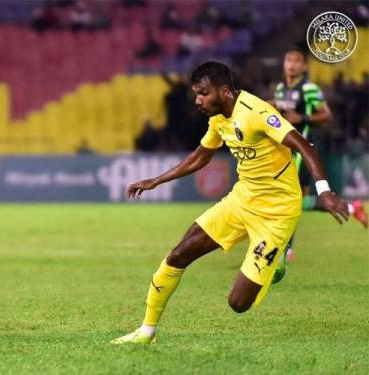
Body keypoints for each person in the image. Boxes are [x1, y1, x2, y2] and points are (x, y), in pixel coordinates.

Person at [111, 61, 349, 344]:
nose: (198, 101)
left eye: (203, 93)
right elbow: (201, 156)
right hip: (242, 200)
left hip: (277, 211)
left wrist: (324, 190)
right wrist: (156, 181)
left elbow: (303, 145)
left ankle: (278, 256)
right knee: (178, 254)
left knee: (238, 303)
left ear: (224, 91)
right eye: (196, 94)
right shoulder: (218, 118)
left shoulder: (256, 112)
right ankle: (146, 331)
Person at [273, 46, 367, 264]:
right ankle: (353, 208)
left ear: (304, 66)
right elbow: (277, 107)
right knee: (298, 202)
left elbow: (326, 115)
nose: (292, 64)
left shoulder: (309, 89)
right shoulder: (280, 89)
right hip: (285, 151)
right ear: (284, 63)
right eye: (289, 60)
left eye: (297, 61)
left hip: (302, 151)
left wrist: (303, 118)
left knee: (290, 200)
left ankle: (286, 250)